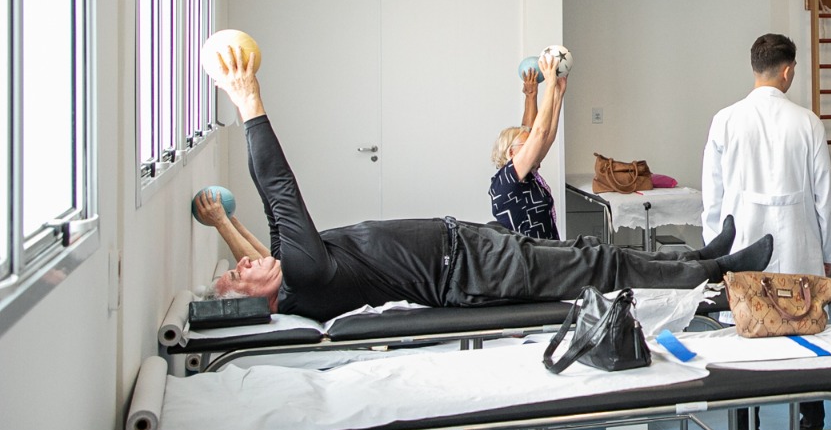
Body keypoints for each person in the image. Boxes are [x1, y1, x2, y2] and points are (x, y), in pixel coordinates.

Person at [201, 46, 771, 322]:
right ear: (258, 302)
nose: (243, 263)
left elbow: (267, 236)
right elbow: (280, 194)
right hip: (474, 269)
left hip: (472, 252)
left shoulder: (292, 277)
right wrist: (249, 101)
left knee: (596, 253)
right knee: (603, 266)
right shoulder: (303, 276)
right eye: (236, 277)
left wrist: (224, 222)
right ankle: (710, 271)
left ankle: (702, 256)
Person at [702, 33, 831, 430]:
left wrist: (715, 259)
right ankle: (811, 421)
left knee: (746, 334)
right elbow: (824, 196)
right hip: (800, 247)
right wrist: (828, 253)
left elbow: (713, 198)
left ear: (755, 68)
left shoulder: (725, 120)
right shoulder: (808, 122)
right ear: (788, 71)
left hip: (742, 249)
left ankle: (747, 426)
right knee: (805, 329)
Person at [487, 52, 566, 239]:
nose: (533, 145)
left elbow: (548, 137)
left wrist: (558, 94)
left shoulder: (527, 175)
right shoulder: (506, 178)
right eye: (527, 143)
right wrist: (550, 85)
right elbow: (540, 133)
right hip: (529, 255)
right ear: (511, 152)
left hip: (546, 250)